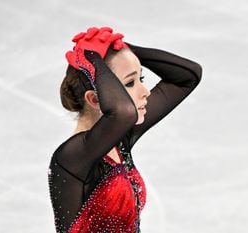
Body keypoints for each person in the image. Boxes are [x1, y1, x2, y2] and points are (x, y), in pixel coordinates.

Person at [48, 26, 202, 233]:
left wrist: (123, 49)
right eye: (130, 83)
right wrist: (91, 58)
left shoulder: (120, 139)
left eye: (141, 79)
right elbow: (123, 112)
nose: (145, 92)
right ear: (95, 99)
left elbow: (187, 77)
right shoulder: (72, 157)